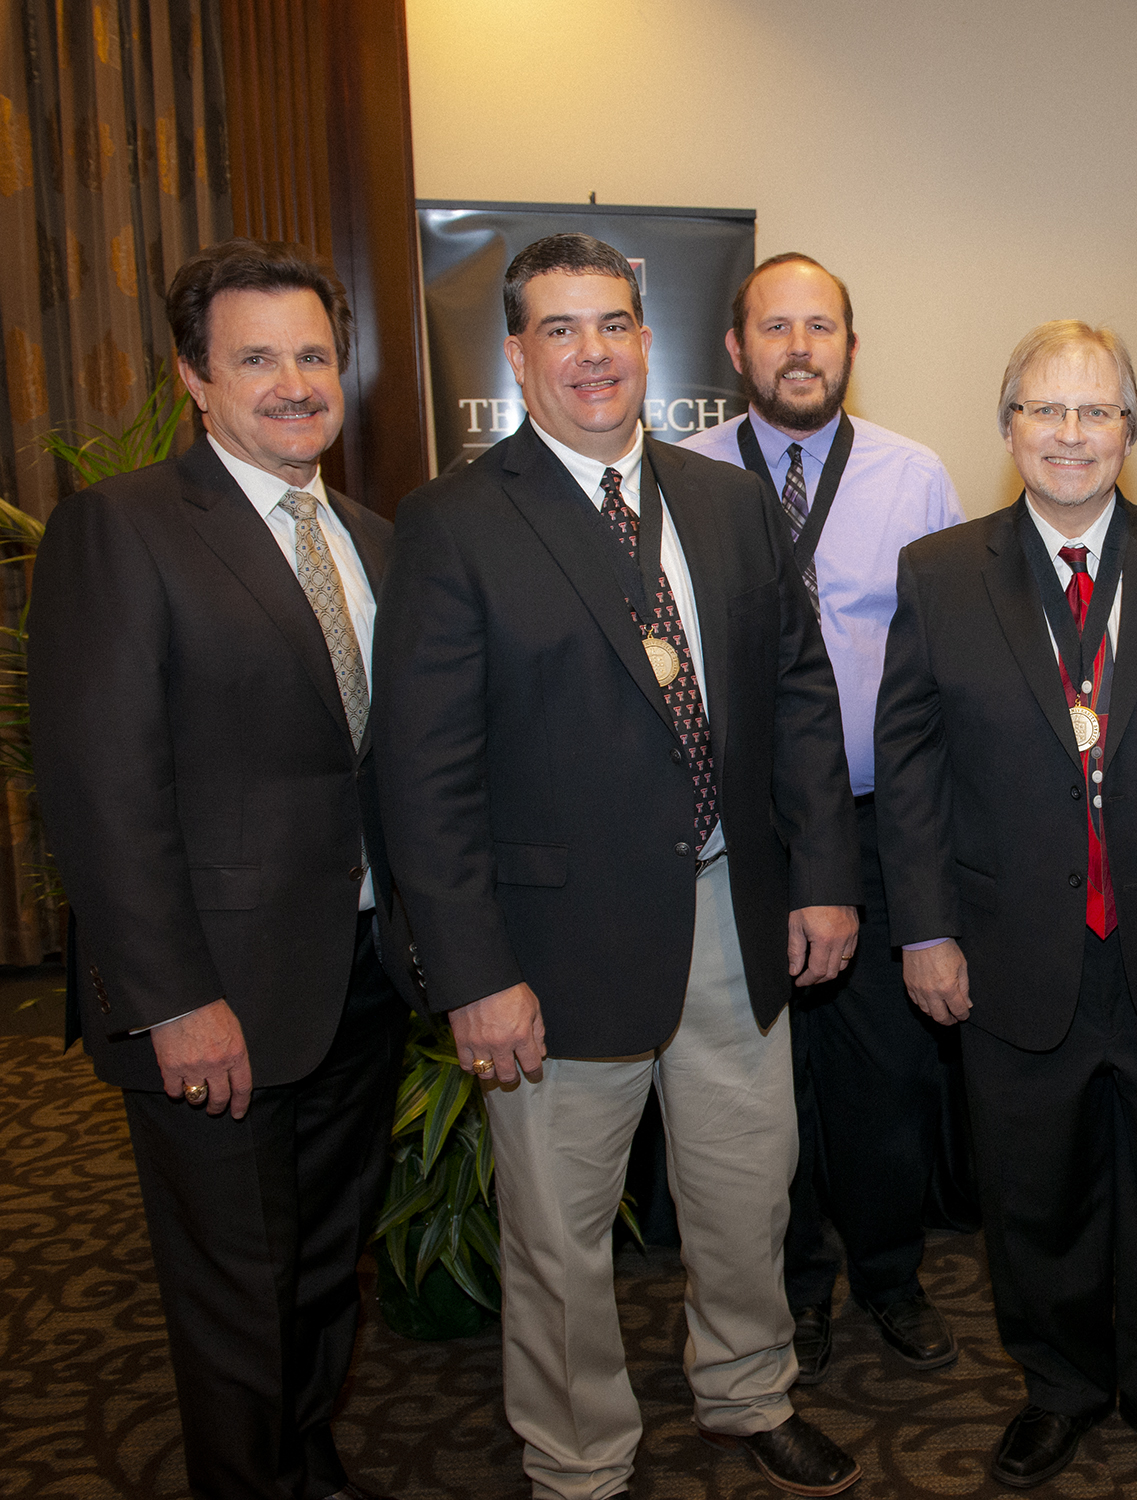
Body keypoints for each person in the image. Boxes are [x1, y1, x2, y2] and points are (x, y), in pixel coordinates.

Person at [371, 233, 865, 1500]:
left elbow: (799, 696)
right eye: (560, 330)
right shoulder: (454, 523)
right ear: (518, 356)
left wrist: (821, 875)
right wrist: (475, 971)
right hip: (551, 949)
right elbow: (422, 776)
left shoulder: (730, 500)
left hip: (731, 919)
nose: (592, 354)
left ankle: (749, 1393)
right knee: (559, 1236)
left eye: (613, 327)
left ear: (651, 344)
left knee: (748, 1196)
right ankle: (580, 1458)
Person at [874, 321, 1137, 1496]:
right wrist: (924, 926)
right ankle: (1057, 1388)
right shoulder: (941, 572)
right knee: (1034, 1194)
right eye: (1045, 412)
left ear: (1131, 431)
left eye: (1095, 411)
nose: (1070, 435)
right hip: (1010, 952)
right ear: (1009, 427)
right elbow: (909, 770)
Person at [30, 239, 411, 1500]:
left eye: (312, 355)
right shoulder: (121, 530)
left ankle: (307, 1459)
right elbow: (102, 793)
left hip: (356, 982)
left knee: (321, 1267)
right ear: (195, 378)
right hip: (216, 999)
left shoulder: (369, 537)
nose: (295, 383)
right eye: (257, 359)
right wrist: (174, 1000)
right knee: (234, 1301)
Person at [681, 251, 967, 1381]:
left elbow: (950, 661)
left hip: (879, 824)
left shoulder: (915, 475)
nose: (800, 348)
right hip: (741, 836)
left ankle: (890, 1279)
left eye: (822, 328)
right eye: (776, 328)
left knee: (886, 1081)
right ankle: (790, 1288)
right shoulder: (683, 477)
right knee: (760, 1082)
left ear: (852, 345)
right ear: (736, 348)